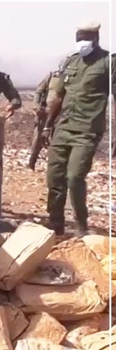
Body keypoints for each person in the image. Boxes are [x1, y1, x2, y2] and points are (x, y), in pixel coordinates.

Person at [42, 22, 110, 237]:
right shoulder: (71, 61)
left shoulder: (108, 62)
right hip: (63, 128)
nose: (82, 43)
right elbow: (59, 96)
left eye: (86, 38)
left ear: (96, 38)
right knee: (54, 178)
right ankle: (55, 224)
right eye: (79, 38)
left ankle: (81, 225)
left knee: (74, 178)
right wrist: (47, 125)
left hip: (87, 131)